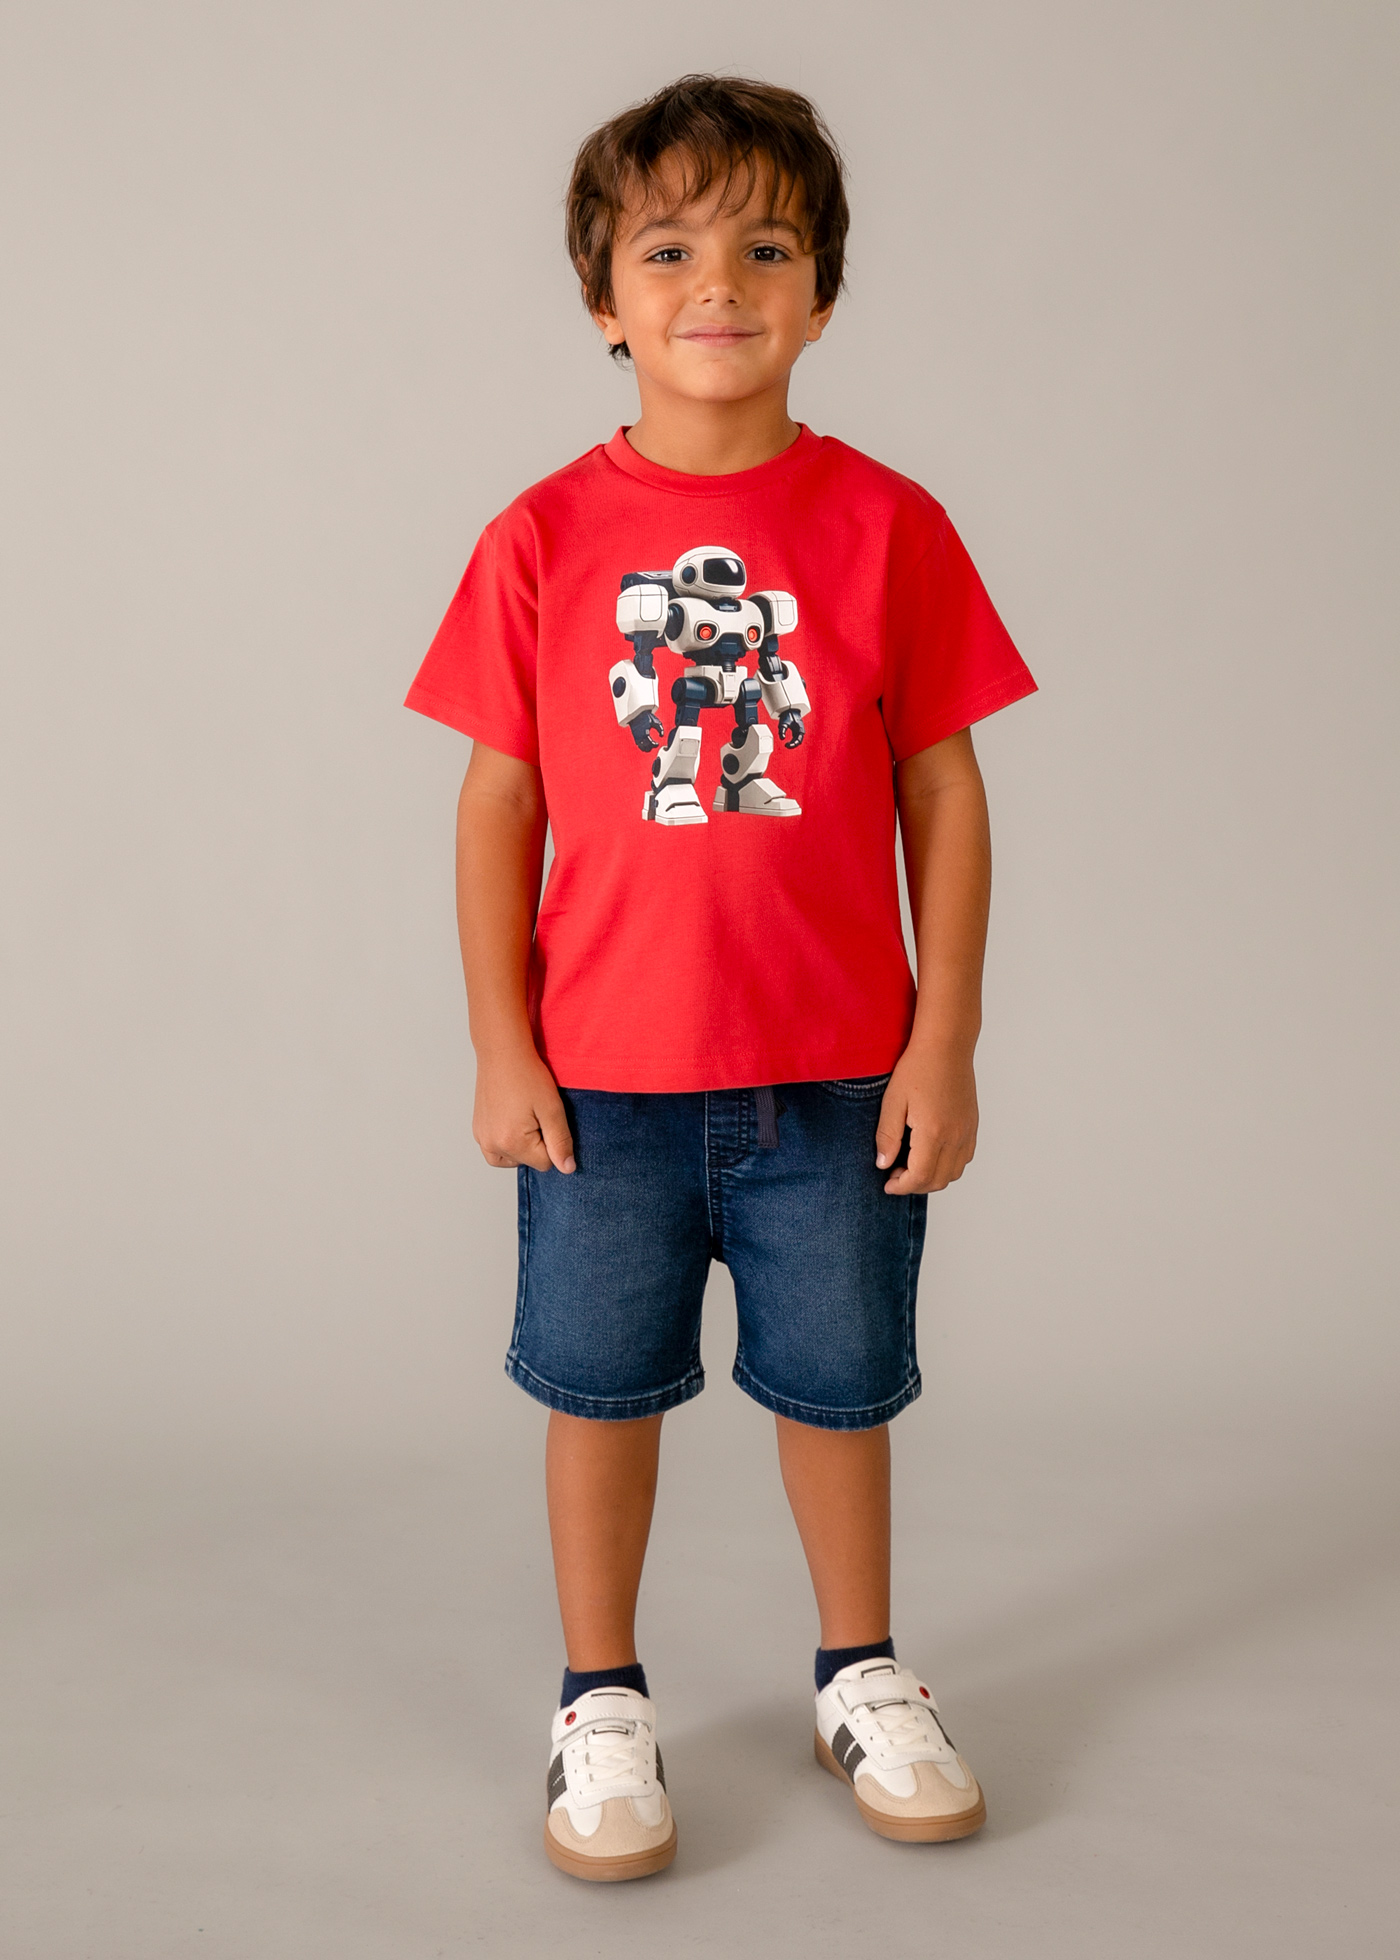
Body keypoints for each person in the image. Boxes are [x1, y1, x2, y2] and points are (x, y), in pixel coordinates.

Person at [405, 73, 1036, 1882]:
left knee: (840, 1388)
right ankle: (598, 1698)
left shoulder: (888, 525)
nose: (719, 286)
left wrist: (945, 1040)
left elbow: (944, 789)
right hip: (601, 1079)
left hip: (838, 1074)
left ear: (822, 294)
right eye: (668, 251)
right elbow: (499, 800)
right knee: (597, 1388)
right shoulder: (540, 538)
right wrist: (500, 1043)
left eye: (767, 249)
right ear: (603, 301)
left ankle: (862, 1672)